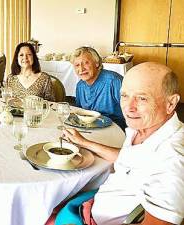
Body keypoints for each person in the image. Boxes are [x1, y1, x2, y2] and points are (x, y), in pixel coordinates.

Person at [59, 62, 183, 225]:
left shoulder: (172, 158)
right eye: (124, 96)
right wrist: (84, 142)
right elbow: (128, 158)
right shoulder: (148, 129)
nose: (128, 107)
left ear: (171, 103)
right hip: (94, 203)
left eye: (142, 98)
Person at [71, 46, 126, 130]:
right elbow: (80, 112)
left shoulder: (114, 81)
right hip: (91, 128)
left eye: (86, 63)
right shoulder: (80, 86)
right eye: (77, 65)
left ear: (96, 63)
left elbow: (131, 110)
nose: (81, 69)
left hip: (115, 129)